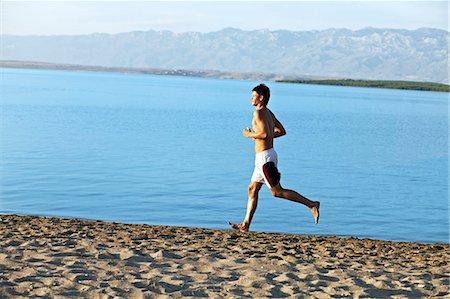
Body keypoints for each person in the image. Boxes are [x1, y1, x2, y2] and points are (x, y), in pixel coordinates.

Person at [228, 84, 320, 232]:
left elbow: (264, 134)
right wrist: (265, 137)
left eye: (253, 96)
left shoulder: (258, 113)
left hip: (265, 159)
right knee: (252, 189)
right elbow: (281, 131)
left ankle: (311, 204)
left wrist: (249, 134)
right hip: (264, 157)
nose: (251, 98)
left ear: (261, 98)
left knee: (277, 192)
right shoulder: (269, 113)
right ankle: (245, 225)